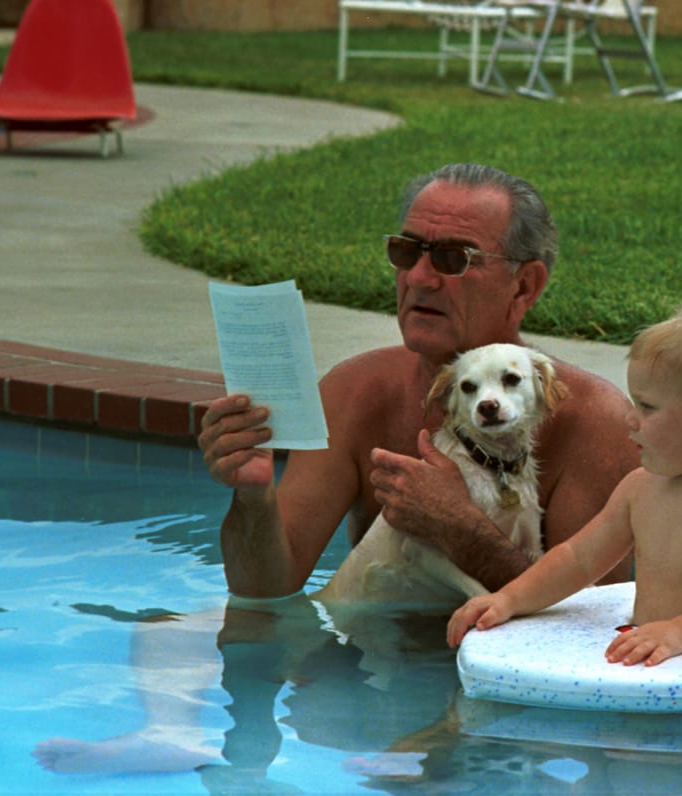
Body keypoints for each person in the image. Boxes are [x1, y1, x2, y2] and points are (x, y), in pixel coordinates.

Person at [198, 162, 638, 598]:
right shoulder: (354, 394)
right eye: (407, 251)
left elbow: (593, 629)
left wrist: (462, 531)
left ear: (523, 287)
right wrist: (253, 500)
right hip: (368, 660)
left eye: (453, 259)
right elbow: (263, 588)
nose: (419, 278)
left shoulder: (594, 421)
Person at [448, 297, 682, 666]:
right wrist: (509, 599)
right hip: (653, 662)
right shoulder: (639, 489)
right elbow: (578, 559)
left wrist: (681, 632)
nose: (629, 418)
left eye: (646, 406)